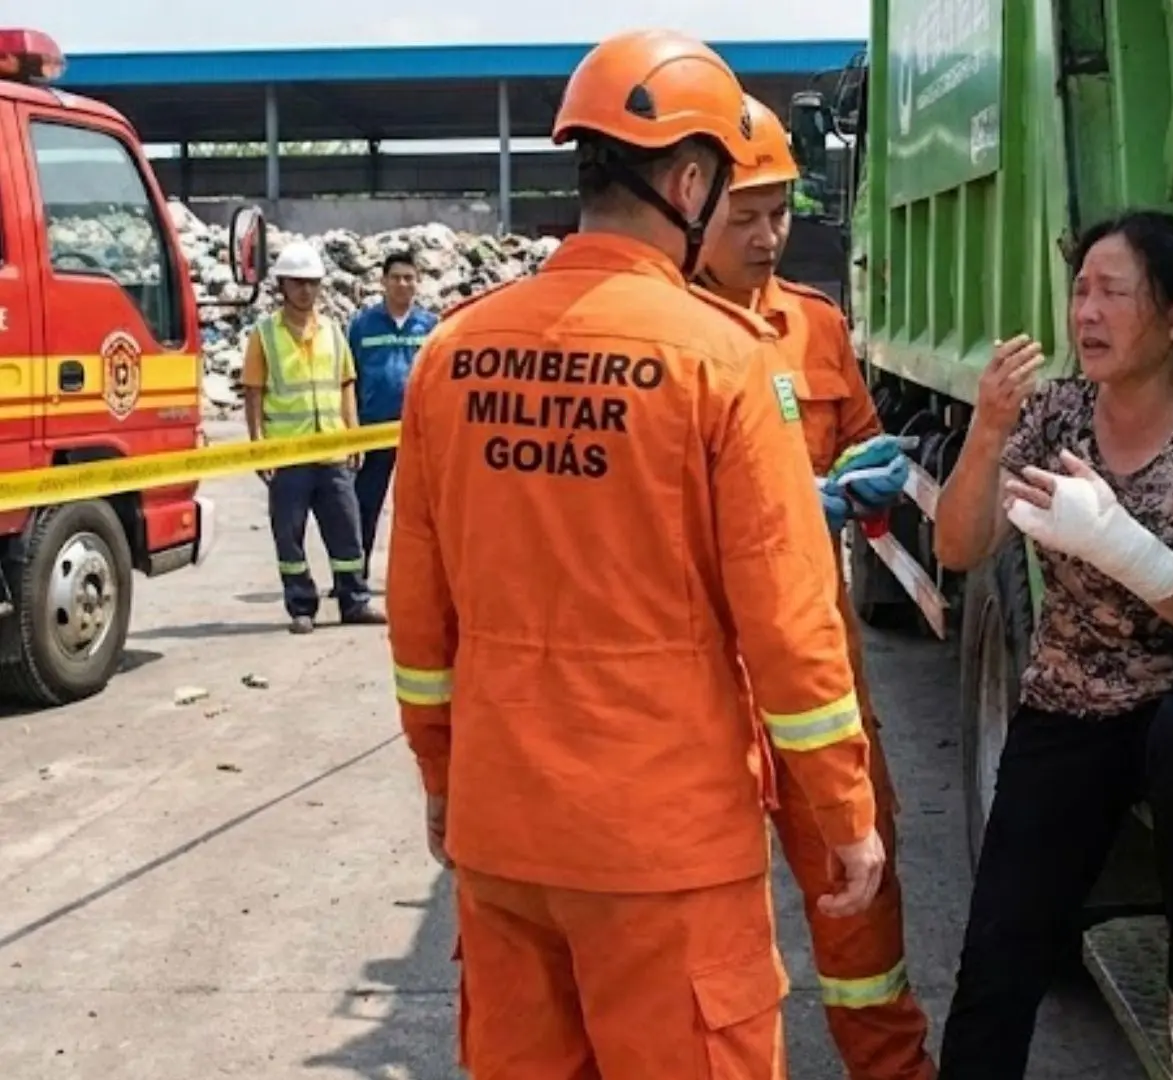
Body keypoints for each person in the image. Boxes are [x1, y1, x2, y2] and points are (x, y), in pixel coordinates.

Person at [385, 30, 887, 1080]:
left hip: (503, 833)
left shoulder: (452, 354)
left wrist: (442, 775)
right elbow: (791, 630)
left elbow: (420, 623)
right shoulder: (722, 359)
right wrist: (843, 810)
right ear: (692, 183)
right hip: (667, 849)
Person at [930, 209, 1173, 1080]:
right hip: (1074, 700)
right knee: (999, 954)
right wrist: (987, 428)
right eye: (1080, 290)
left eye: (1114, 294)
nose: (1086, 312)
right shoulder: (1054, 415)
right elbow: (958, 546)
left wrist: (1118, 543)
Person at [697, 95, 936, 1080]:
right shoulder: (667, 339)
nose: (768, 236)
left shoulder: (816, 326)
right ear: (689, 205)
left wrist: (874, 469)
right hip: (706, 674)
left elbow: (861, 439)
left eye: (780, 213)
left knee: (859, 885)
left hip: (816, 656)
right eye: (745, 215)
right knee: (709, 916)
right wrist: (795, 501)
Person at [239, 240, 385, 634]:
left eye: (312, 283)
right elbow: (254, 392)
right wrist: (259, 446)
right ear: (282, 286)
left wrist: (353, 436)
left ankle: (354, 600)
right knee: (290, 536)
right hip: (288, 455)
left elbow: (346, 384)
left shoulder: (333, 331)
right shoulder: (265, 335)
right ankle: (301, 606)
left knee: (347, 531)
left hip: (333, 452)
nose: (306, 290)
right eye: (298, 282)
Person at [346, 249, 438, 583]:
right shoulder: (362, 325)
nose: (402, 284)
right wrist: (351, 431)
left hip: (420, 435)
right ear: (383, 282)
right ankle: (354, 577)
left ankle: (426, 580)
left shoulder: (431, 327)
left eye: (409, 278)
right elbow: (349, 378)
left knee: (423, 509)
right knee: (365, 505)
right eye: (396, 277)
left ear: (418, 282)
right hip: (373, 430)